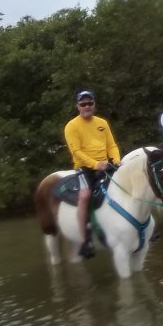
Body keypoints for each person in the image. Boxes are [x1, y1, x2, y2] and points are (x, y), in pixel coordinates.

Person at [63, 90, 121, 259]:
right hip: (84, 168)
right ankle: (84, 240)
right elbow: (76, 152)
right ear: (78, 106)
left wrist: (116, 160)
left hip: (105, 164)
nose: (87, 106)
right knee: (85, 195)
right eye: (83, 104)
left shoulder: (102, 122)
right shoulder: (71, 126)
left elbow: (112, 145)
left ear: (94, 104)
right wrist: (96, 164)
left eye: (90, 103)